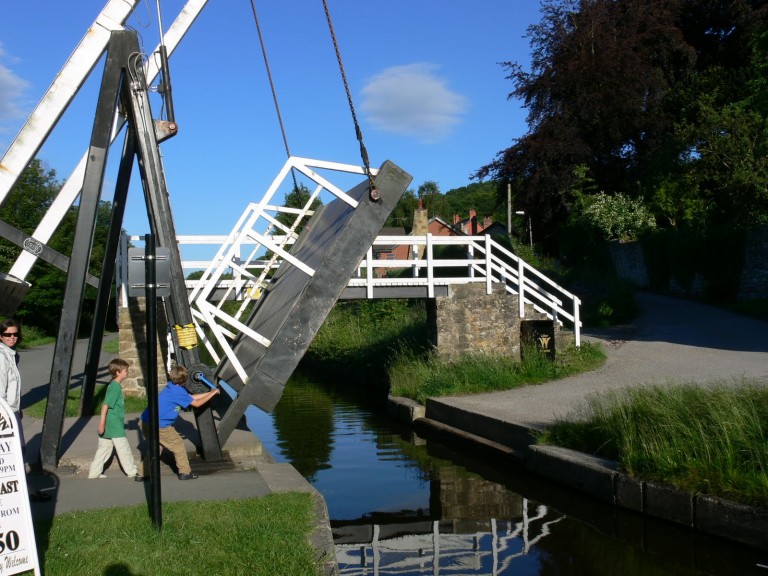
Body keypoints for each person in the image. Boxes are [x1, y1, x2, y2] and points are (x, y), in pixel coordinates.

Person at [0, 318, 51, 501]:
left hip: (12, 411)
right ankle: (23, 493)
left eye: (15, 334)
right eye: (7, 334)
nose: (12, 337)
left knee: (15, 454)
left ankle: (24, 491)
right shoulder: (1, 356)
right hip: (5, 415)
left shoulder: (11, 354)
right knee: (15, 452)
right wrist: (7, 416)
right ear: (1, 336)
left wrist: (18, 408)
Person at [140, 364, 220, 480]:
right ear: (185, 379)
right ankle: (185, 472)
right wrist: (213, 393)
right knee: (178, 445)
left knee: (156, 448)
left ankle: (142, 473)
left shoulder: (171, 387)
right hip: (159, 425)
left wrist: (211, 392)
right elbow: (197, 403)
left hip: (146, 422)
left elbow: (191, 398)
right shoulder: (177, 392)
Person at [88, 358, 143, 481]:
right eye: (125, 370)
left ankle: (94, 473)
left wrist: (103, 423)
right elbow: (105, 405)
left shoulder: (113, 385)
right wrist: (101, 423)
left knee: (104, 449)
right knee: (123, 448)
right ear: (118, 372)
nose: (127, 372)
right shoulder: (115, 387)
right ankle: (132, 471)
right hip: (114, 423)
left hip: (110, 422)